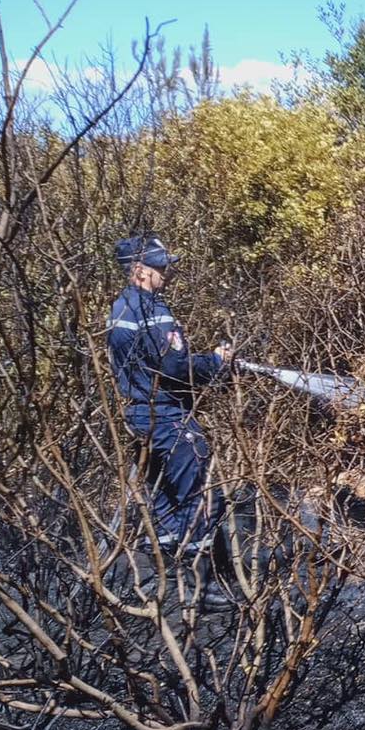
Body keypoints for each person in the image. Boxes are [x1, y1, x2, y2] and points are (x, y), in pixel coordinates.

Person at [106, 233, 234, 554]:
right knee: (201, 494)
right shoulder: (152, 311)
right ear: (139, 270)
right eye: (160, 265)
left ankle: (168, 591)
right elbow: (175, 367)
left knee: (164, 504)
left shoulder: (120, 307)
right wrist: (216, 362)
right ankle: (205, 588)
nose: (167, 272)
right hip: (166, 416)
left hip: (138, 417)